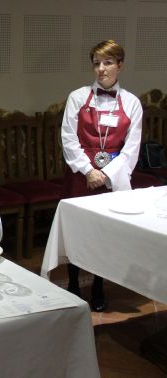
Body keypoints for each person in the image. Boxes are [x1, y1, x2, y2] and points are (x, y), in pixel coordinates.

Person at [61, 39, 142, 312]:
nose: (101, 69)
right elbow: (68, 138)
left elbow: (131, 148)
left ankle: (98, 285)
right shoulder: (77, 97)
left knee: (103, 232)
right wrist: (88, 170)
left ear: (120, 65)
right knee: (77, 230)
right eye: (96, 63)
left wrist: (105, 174)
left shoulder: (132, 103)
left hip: (112, 177)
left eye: (107, 63)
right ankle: (73, 283)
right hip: (80, 173)